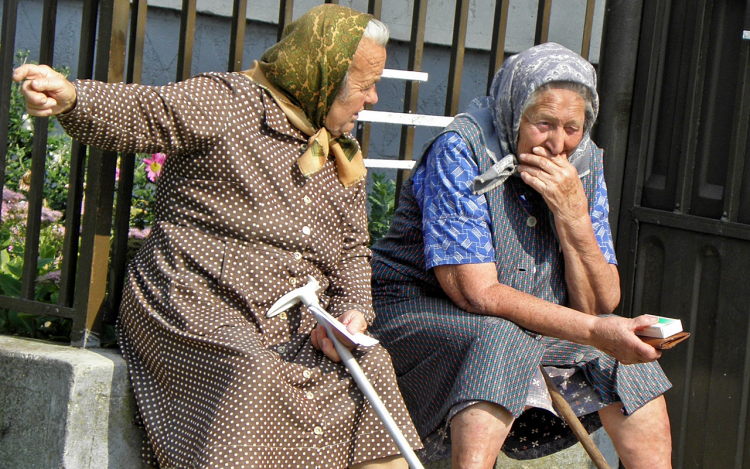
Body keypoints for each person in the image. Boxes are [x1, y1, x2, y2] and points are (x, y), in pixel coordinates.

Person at [14, 5, 421, 469]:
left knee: (373, 367)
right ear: (321, 74)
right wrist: (71, 97)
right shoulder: (230, 102)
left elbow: (352, 250)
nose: (372, 98)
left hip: (294, 321)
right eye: (365, 84)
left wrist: (353, 313)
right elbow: (148, 112)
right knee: (251, 371)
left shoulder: (339, 154)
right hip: (197, 300)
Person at [369, 42, 673, 469]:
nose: (558, 143)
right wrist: (595, 328)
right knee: (503, 337)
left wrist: (575, 218)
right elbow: (478, 294)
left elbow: (601, 304)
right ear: (514, 110)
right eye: (543, 123)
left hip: (519, 321)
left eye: (573, 127)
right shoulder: (461, 151)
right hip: (416, 312)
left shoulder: (585, 162)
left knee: (620, 353)